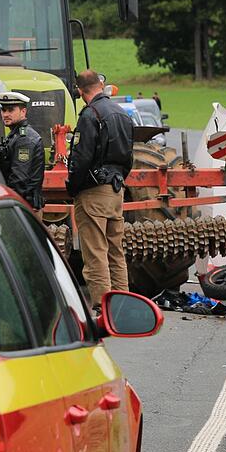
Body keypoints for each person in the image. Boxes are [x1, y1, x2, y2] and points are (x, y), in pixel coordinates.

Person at [67, 69, 134, 309]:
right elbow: (129, 157)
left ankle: (103, 307)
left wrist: (73, 186)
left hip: (93, 191)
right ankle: (122, 305)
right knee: (116, 252)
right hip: (116, 190)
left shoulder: (90, 114)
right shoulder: (122, 113)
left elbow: (82, 158)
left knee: (95, 252)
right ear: (100, 85)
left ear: (80, 90)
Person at [0, 91, 45, 216]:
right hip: (19, 205)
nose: (5, 114)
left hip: (23, 208)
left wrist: (6, 204)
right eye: (3, 110)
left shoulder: (24, 139)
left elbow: (19, 179)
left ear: (23, 112)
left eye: (11, 110)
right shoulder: (15, 136)